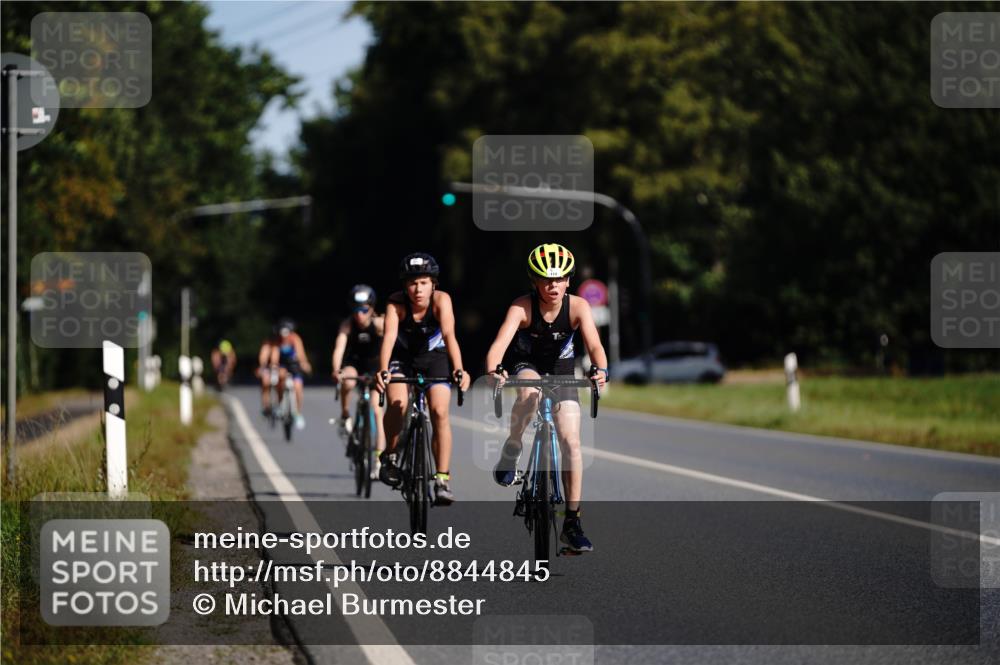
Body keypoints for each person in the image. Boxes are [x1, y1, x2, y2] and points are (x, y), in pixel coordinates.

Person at [484, 243, 608, 553]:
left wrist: (600, 370)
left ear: (568, 280)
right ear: (534, 281)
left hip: (563, 372)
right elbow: (499, 344)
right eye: (546, 279)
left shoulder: (578, 306)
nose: (553, 286)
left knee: (572, 443)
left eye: (560, 279)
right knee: (529, 392)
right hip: (528, 366)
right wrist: (494, 370)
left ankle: (572, 522)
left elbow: (594, 345)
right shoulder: (521, 307)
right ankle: (513, 447)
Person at [375, 253, 471, 505]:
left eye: (424, 283)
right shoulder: (395, 304)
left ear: (433, 284)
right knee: (397, 404)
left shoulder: (441, 301)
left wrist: (459, 370)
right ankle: (390, 455)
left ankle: (442, 479)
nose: (418, 289)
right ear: (404, 286)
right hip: (402, 359)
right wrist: (383, 370)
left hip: (434, 357)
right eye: (412, 283)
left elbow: (449, 335)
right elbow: (389, 338)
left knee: (439, 411)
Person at [331, 285, 386, 470]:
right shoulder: (348, 324)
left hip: (375, 367)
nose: (359, 314)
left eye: (364, 309)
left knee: (377, 411)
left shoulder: (379, 324)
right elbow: (339, 348)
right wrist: (336, 370)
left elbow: (391, 345)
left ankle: (379, 458)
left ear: (371, 308)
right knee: (347, 380)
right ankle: (345, 414)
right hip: (355, 364)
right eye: (355, 309)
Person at [270, 318, 312, 430]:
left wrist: (304, 364)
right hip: (282, 365)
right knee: (280, 377)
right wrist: (274, 365)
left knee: (298, 387)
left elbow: (301, 354)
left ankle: (297, 413)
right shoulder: (277, 342)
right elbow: (274, 356)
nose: (284, 337)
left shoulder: (295, 339)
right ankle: (280, 404)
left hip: (294, 365)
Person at [255, 334, 277, 417]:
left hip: (278, 368)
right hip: (268, 368)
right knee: (265, 382)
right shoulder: (266, 347)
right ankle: (266, 405)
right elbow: (263, 359)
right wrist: (262, 368)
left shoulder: (280, 346)